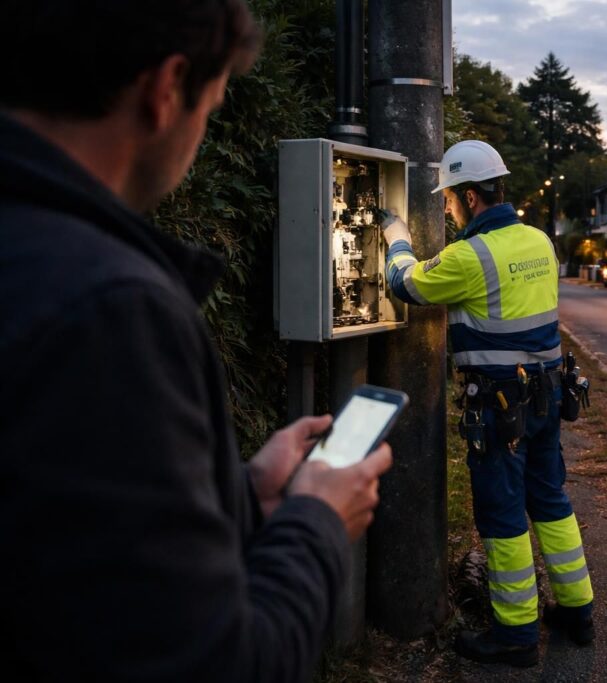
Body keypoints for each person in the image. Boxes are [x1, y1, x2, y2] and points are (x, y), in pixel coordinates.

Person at [0, 2, 391, 681]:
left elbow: (74, 544)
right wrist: (317, 519)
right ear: (165, 89)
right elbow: (215, 662)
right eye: (210, 108)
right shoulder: (111, 311)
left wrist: (237, 495)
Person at [381, 140, 595, 667]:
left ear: (470, 197)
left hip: (501, 408)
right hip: (547, 396)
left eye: (450, 200)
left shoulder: (469, 256)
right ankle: (577, 611)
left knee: (502, 511)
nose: (450, 210)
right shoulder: (540, 241)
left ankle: (516, 634)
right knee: (549, 497)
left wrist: (396, 237)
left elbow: (405, 284)